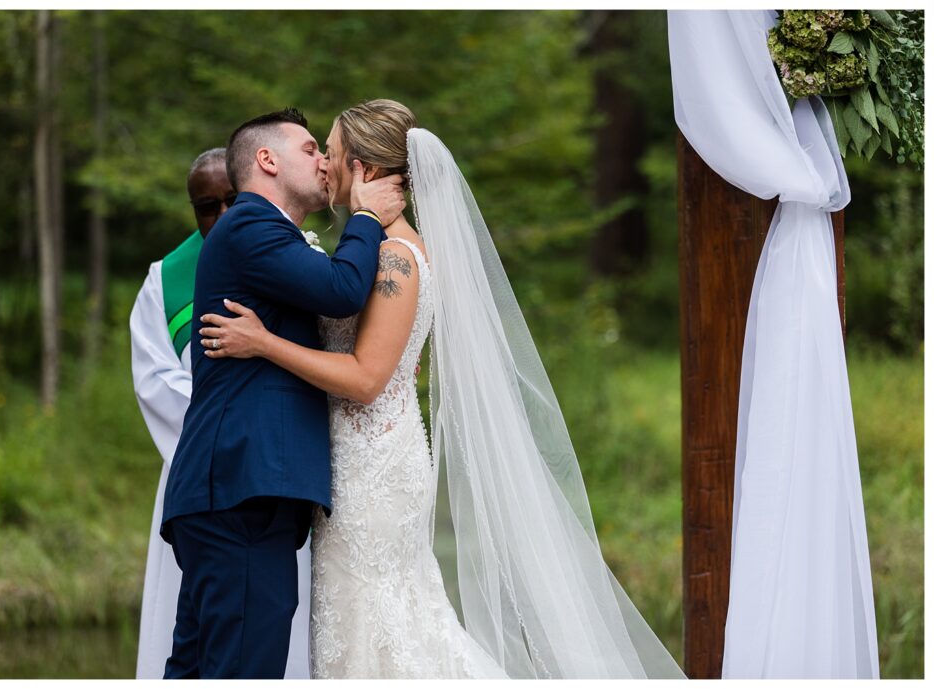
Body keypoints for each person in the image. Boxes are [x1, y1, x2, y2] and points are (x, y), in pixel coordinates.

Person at [198, 99, 687, 678]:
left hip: (372, 473)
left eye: (330, 153)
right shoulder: (368, 254)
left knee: (384, 631)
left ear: (367, 172)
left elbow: (365, 379)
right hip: (352, 467)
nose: (325, 166)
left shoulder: (394, 260)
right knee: (369, 629)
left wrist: (265, 343)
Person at [158, 109, 406, 679]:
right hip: (241, 487)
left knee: (202, 669)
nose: (325, 160)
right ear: (267, 161)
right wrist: (367, 218)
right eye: (311, 148)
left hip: (232, 491)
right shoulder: (248, 224)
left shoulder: (271, 236)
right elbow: (343, 291)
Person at [130, 148, 313, 678]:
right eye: (206, 207)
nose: (223, 216)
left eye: (233, 200)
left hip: (273, 473)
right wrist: (235, 412)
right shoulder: (165, 278)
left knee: (270, 628)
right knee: (198, 638)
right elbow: (156, 384)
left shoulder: (287, 251)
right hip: (207, 476)